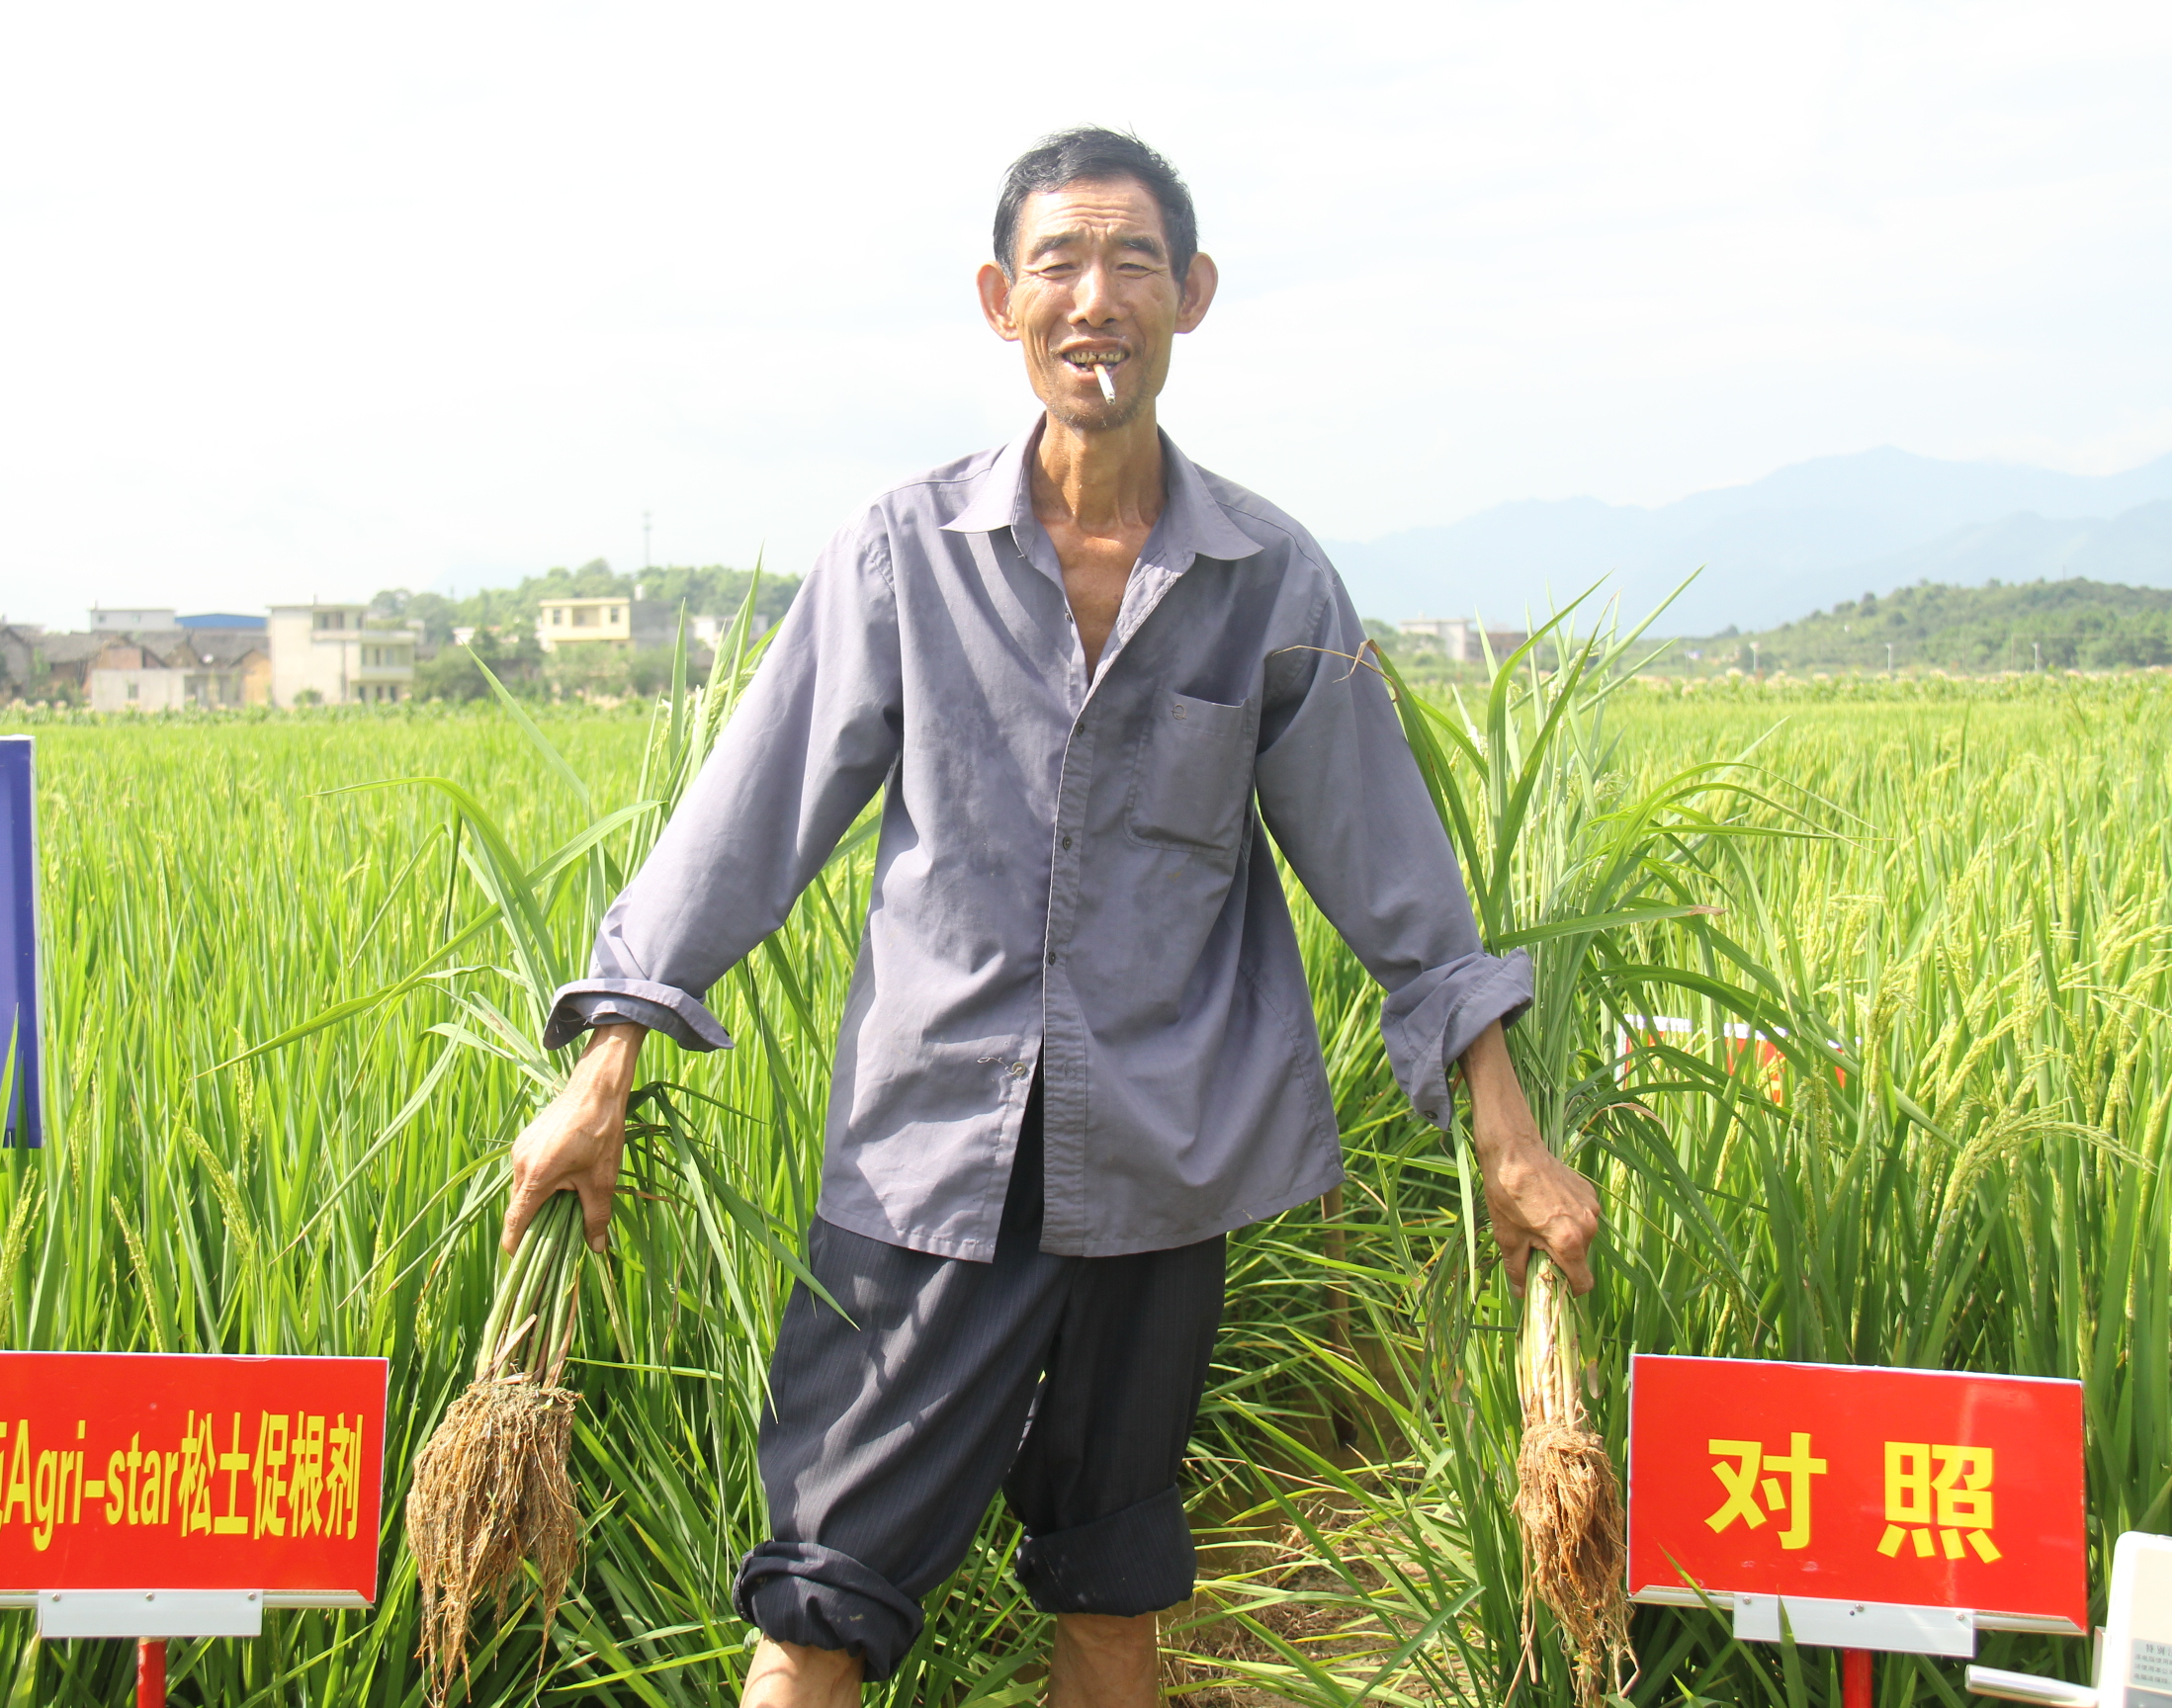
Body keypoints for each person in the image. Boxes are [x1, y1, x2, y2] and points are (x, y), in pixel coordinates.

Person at [501, 128, 1601, 1708]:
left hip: (1158, 1176)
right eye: (1062, 265)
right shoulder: (905, 556)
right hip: (926, 1168)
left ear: (1195, 296)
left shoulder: (1269, 581)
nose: (1099, 298)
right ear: (1000, 304)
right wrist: (603, 1064)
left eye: (1135, 262)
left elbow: (1395, 876)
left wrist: (1510, 1134)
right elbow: (746, 819)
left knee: (1112, 1589)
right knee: (820, 1597)